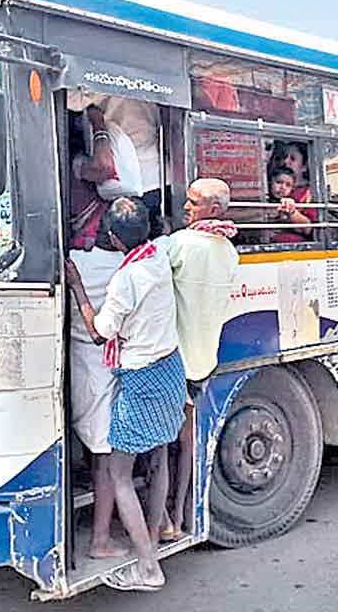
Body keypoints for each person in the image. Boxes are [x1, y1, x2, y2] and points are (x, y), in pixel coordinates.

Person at [66, 197, 186, 592]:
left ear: (114, 239)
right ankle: (154, 534)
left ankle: (149, 569)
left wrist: (77, 287)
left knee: (119, 474)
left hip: (140, 378)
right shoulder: (159, 255)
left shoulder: (126, 279)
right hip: (170, 369)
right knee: (159, 455)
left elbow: (99, 333)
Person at [161, 179, 239, 539]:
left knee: (161, 447)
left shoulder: (180, 244)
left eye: (193, 202)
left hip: (174, 361)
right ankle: (182, 515)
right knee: (187, 444)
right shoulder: (228, 251)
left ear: (214, 209)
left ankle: (165, 520)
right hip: (203, 361)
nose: (186, 206)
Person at [67, 222, 126, 559]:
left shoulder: (74, 259)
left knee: (92, 449)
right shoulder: (126, 268)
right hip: (103, 370)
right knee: (106, 462)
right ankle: (100, 541)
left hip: (76, 366)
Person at [69, 92, 164, 236]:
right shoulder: (148, 85)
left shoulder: (99, 88)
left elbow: (70, 99)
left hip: (127, 188)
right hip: (156, 180)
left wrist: (79, 169)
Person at [268, 143, 317, 243]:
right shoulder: (271, 191)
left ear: (304, 166)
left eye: (292, 159)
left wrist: (292, 211)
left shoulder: (310, 194)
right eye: (284, 157)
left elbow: (309, 229)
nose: (285, 161)